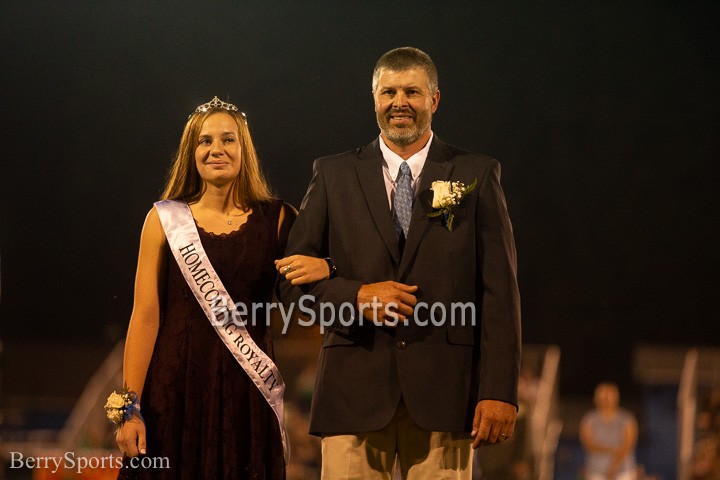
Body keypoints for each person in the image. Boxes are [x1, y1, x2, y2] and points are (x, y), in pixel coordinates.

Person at [277, 47, 521, 479]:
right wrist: (356, 295)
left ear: (435, 100)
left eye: (412, 91)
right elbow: (290, 283)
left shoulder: (476, 174)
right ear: (374, 100)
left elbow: (499, 294)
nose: (399, 102)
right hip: (351, 395)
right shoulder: (332, 175)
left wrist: (499, 391)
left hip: (447, 397)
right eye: (388, 92)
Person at [113, 96, 327, 479]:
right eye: (205, 141)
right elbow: (145, 317)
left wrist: (327, 266)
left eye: (228, 140)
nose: (216, 150)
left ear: (244, 149)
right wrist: (128, 410)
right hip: (174, 394)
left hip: (247, 397)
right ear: (190, 152)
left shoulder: (279, 219)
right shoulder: (163, 220)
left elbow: (309, 295)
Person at [580, 382, 639, 480]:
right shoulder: (589, 419)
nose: (606, 399)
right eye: (603, 395)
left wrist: (614, 467)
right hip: (595, 471)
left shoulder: (627, 418)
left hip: (624, 472)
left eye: (610, 395)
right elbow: (589, 444)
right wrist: (614, 450)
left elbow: (628, 445)